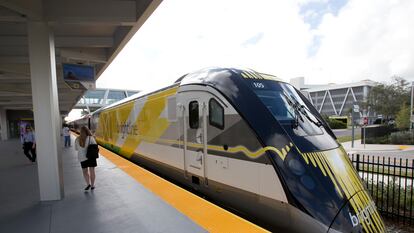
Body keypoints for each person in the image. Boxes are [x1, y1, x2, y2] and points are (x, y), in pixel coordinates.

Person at [75, 126, 97, 191]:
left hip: (82, 158)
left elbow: (76, 149)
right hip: (91, 157)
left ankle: (88, 184)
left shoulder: (77, 139)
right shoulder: (91, 138)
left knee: (85, 172)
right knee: (92, 171)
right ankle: (92, 185)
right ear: (88, 131)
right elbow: (95, 146)